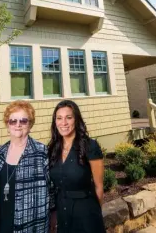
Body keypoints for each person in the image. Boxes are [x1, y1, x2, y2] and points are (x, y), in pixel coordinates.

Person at [0, 100, 52, 233]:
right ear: (7, 125)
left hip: (31, 225)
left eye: (23, 121)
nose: (18, 125)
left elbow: (53, 190)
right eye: (13, 121)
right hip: (1, 223)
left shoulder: (41, 152)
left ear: (30, 125)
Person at [48, 99, 105, 233]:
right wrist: (54, 214)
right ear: (55, 122)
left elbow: (99, 186)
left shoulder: (90, 146)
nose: (64, 123)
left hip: (86, 213)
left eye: (69, 117)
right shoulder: (52, 149)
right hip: (63, 212)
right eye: (59, 118)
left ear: (76, 119)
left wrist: (95, 214)